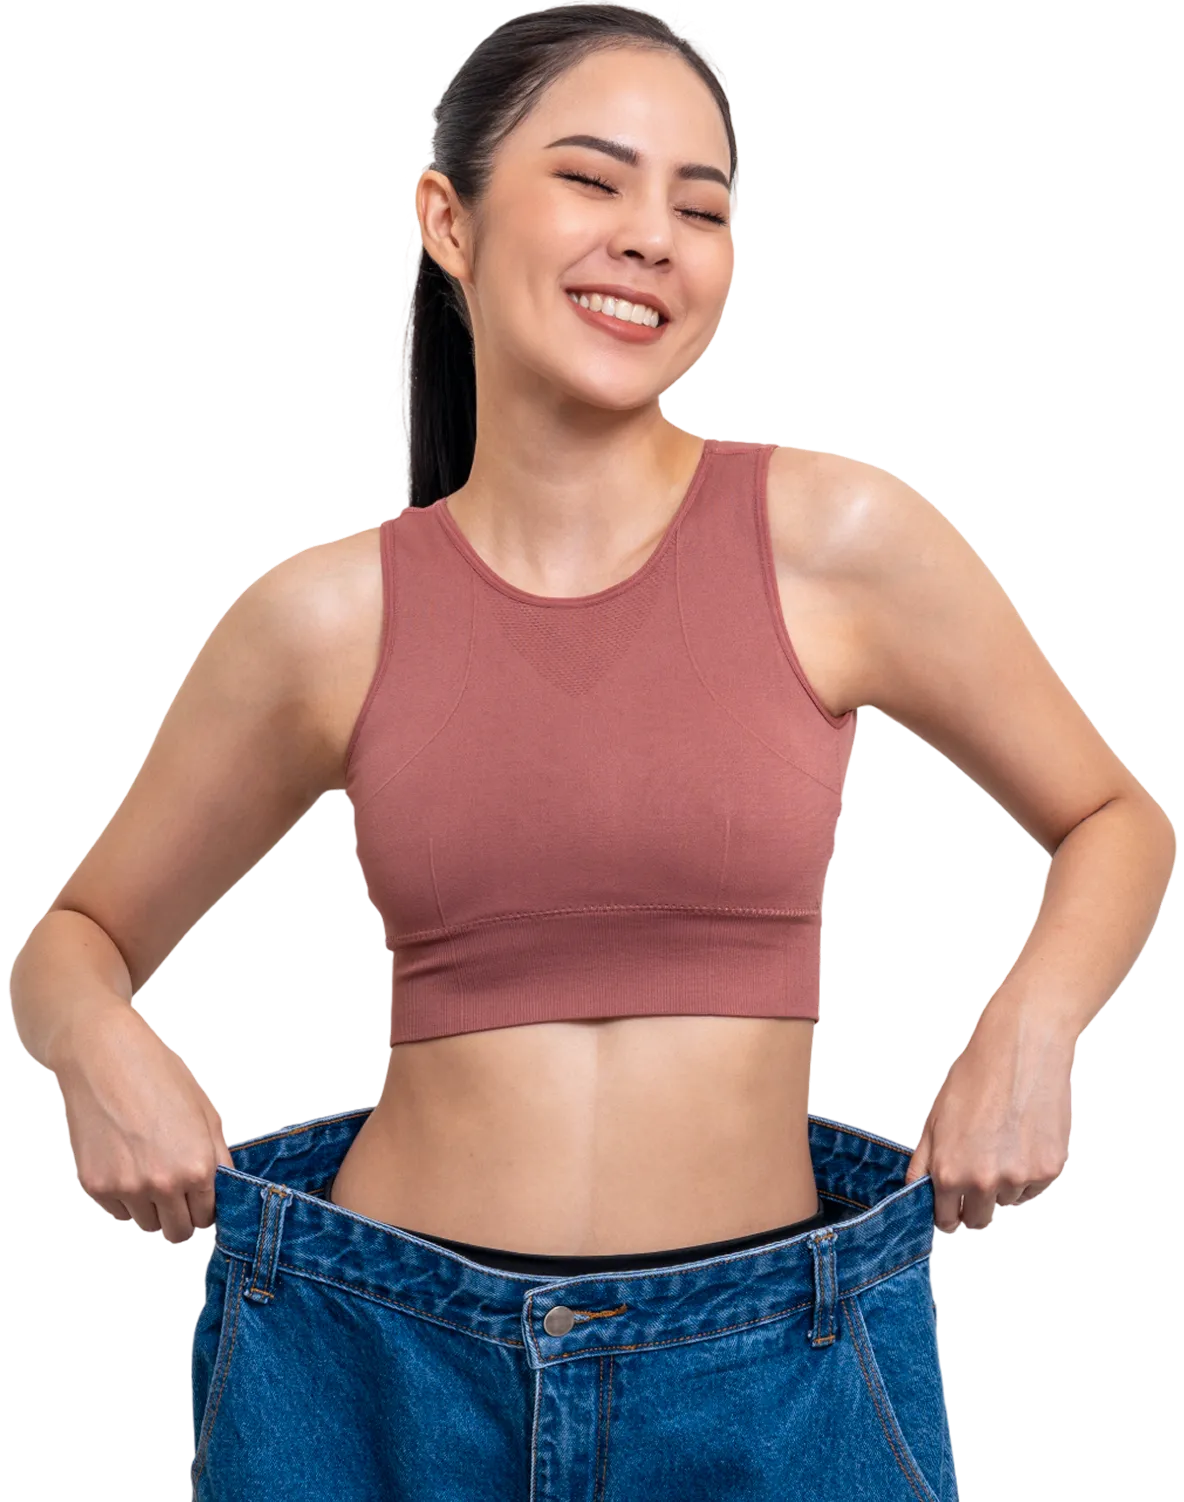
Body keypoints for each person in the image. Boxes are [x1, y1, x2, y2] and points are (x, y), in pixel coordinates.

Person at [9, 4, 1175, 1499]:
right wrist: (96, 1044)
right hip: (375, 1364)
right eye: (591, 179)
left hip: (774, 1371)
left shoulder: (839, 537)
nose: (651, 238)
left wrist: (1031, 1030)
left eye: (703, 207)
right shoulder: (321, 618)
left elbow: (1114, 816)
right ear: (446, 220)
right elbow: (76, 935)